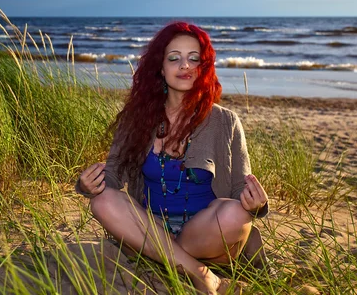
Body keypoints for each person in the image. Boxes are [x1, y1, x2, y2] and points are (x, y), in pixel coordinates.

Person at [76, 22, 269, 295]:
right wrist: (88, 185)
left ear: (203, 68)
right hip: (151, 227)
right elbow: (112, 175)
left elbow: (240, 190)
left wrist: (257, 204)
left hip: (205, 233)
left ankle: (167, 258)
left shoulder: (225, 121)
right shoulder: (137, 119)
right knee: (103, 201)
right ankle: (200, 273)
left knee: (235, 213)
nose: (185, 66)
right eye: (174, 58)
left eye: (194, 59)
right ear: (161, 67)